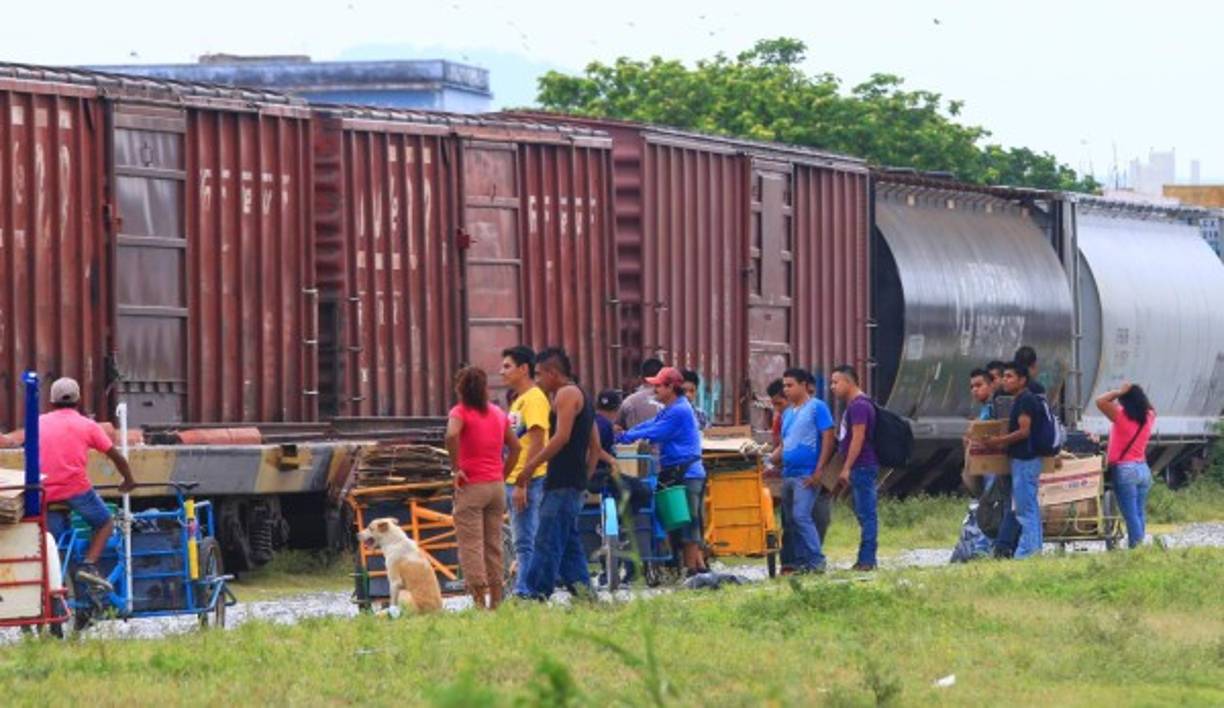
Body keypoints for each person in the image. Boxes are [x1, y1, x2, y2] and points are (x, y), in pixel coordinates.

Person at [517, 347, 599, 600]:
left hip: (562, 482)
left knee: (547, 540)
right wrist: (584, 478)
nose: (537, 380)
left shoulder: (565, 394)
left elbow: (561, 437)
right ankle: (585, 596)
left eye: (539, 374)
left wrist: (530, 467)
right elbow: (595, 446)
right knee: (569, 545)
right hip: (572, 482)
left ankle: (534, 593)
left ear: (553, 373)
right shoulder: (581, 394)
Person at [40, 377, 136, 592]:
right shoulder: (87, 425)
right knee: (105, 523)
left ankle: (62, 585)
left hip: (44, 493)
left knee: (56, 548)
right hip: (76, 490)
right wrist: (129, 480)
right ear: (78, 400)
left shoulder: (38, 423)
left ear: (51, 401)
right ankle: (89, 565)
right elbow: (117, 457)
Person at [617, 366, 709, 575]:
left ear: (671, 387)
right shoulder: (671, 408)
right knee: (674, 518)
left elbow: (657, 431)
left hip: (687, 473)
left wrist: (626, 437)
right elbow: (651, 424)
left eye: (658, 385)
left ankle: (692, 569)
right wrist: (629, 433)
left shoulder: (679, 410)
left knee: (689, 521)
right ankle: (683, 567)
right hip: (675, 471)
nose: (654, 389)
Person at [445, 367, 521, 609]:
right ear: (484, 388)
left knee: (471, 545)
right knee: (493, 545)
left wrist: (456, 468)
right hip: (496, 487)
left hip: (472, 486)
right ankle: (496, 602)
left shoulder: (460, 412)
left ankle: (479, 602)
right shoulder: (498, 413)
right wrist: (503, 474)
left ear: (460, 388)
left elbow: (450, 435)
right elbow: (516, 447)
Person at [770, 368, 835, 573]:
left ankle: (817, 561)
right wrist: (766, 460)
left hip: (806, 475)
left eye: (790, 385)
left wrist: (819, 470)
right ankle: (800, 562)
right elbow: (784, 445)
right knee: (790, 521)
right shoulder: (787, 414)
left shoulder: (817, 407)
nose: (786, 390)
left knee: (801, 516)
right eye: (785, 386)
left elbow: (828, 437)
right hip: (788, 474)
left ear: (804, 385)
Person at [500, 345, 550, 597]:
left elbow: (538, 440)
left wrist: (523, 481)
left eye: (507, 366)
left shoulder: (534, 398)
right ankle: (525, 586)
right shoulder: (519, 401)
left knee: (526, 539)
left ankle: (525, 590)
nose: (502, 372)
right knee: (521, 539)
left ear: (523, 369)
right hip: (515, 478)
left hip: (528, 479)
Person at [983, 362, 1046, 560]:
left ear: (1022, 380)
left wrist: (998, 441)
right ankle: (1034, 549)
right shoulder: (1022, 399)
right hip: (1026, 461)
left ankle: (1027, 552)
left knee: (1024, 510)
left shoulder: (1025, 400)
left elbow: (1024, 431)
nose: (1005, 380)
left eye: (1010, 376)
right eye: (1004, 376)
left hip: (1025, 461)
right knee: (1030, 508)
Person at [830, 364, 879, 572]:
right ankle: (866, 559)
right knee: (863, 513)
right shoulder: (857, 405)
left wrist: (846, 467)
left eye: (836, 382)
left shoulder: (859, 406)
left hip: (862, 465)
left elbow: (857, 439)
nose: (833, 387)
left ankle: (867, 560)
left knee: (867, 514)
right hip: (861, 466)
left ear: (849, 382)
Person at [1097, 383, 1155, 548]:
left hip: (1125, 469)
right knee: (1139, 512)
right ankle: (1138, 545)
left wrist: (1118, 391)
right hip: (1143, 469)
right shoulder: (1149, 416)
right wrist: (1136, 393)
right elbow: (1149, 406)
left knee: (1130, 514)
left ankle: (1137, 547)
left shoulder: (1120, 415)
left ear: (1124, 401)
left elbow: (1100, 401)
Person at [618, 358, 665, 430]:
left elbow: (618, 427)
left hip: (637, 440)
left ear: (640, 378)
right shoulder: (674, 399)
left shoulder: (629, 401)